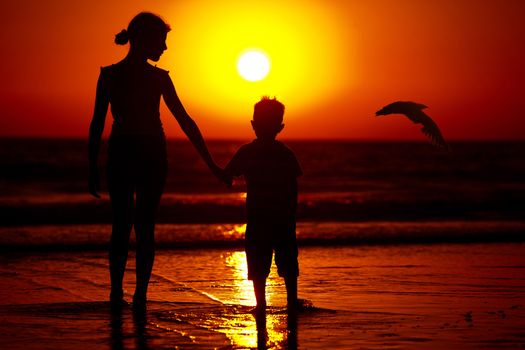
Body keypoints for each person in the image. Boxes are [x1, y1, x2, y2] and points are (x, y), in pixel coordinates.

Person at [88, 12, 225, 307]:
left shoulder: (157, 78)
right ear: (142, 40)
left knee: (136, 225)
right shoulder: (109, 75)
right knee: (127, 224)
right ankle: (118, 293)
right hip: (126, 152)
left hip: (147, 154)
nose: (164, 48)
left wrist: (212, 164)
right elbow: (97, 123)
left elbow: (186, 122)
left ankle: (137, 295)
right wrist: (91, 166)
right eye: (161, 41)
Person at [223, 97, 302, 315]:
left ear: (253, 125)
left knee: (260, 263)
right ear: (280, 127)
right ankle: (291, 301)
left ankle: (262, 304)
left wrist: (222, 174)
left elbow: (228, 174)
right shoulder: (285, 153)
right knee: (286, 262)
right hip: (280, 218)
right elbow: (294, 187)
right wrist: (292, 212)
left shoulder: (247, 152)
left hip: (259, 219)